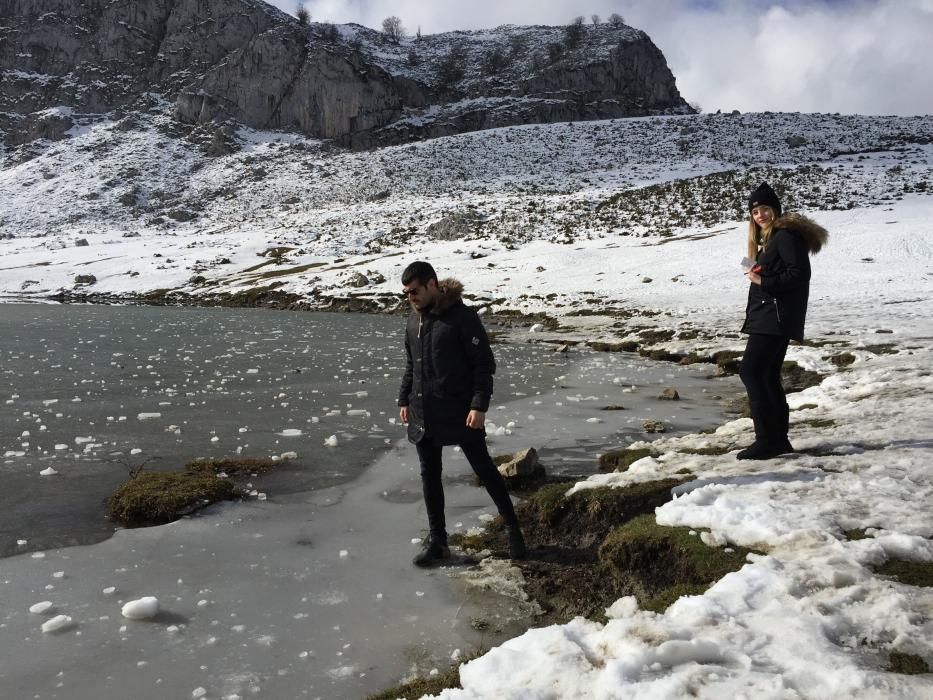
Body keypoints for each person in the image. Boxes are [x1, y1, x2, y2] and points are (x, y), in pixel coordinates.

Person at [398, 261, 527, 566]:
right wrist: (404, 399)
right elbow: (411, 365)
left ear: (432, 284)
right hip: (423, 411)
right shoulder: (412, 322)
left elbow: (483, 364)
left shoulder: (462, 318)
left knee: (484, 469)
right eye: (405, 293)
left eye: (414, 291)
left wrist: (479, 405)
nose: (410, 298)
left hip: (460, 411)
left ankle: (514, 532)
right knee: (429, 474)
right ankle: (439, 542)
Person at [738, 183, 828, 460]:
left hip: (774, 317)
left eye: (765, 209)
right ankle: (778, 440)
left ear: (775, 210)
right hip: (772, 316)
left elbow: (799, 274)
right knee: (766, 375)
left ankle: (767, 440)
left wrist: (763, 280)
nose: (760, 214)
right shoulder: (771, 238)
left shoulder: (785, 235)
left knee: (751, 372)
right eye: (755, 211)